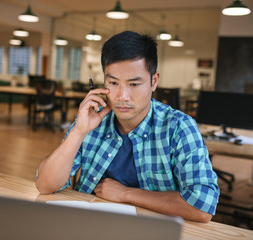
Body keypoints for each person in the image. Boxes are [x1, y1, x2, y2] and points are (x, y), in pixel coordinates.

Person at [36, 31, 219, 223]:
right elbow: (45, 185)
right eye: (113, 83)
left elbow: (202, 207)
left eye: (133, 84)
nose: (122, 96)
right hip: (90, 226)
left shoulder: (178, 127)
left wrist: (126, 194)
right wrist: (79, 131)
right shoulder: (92, 118)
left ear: (153, 81)